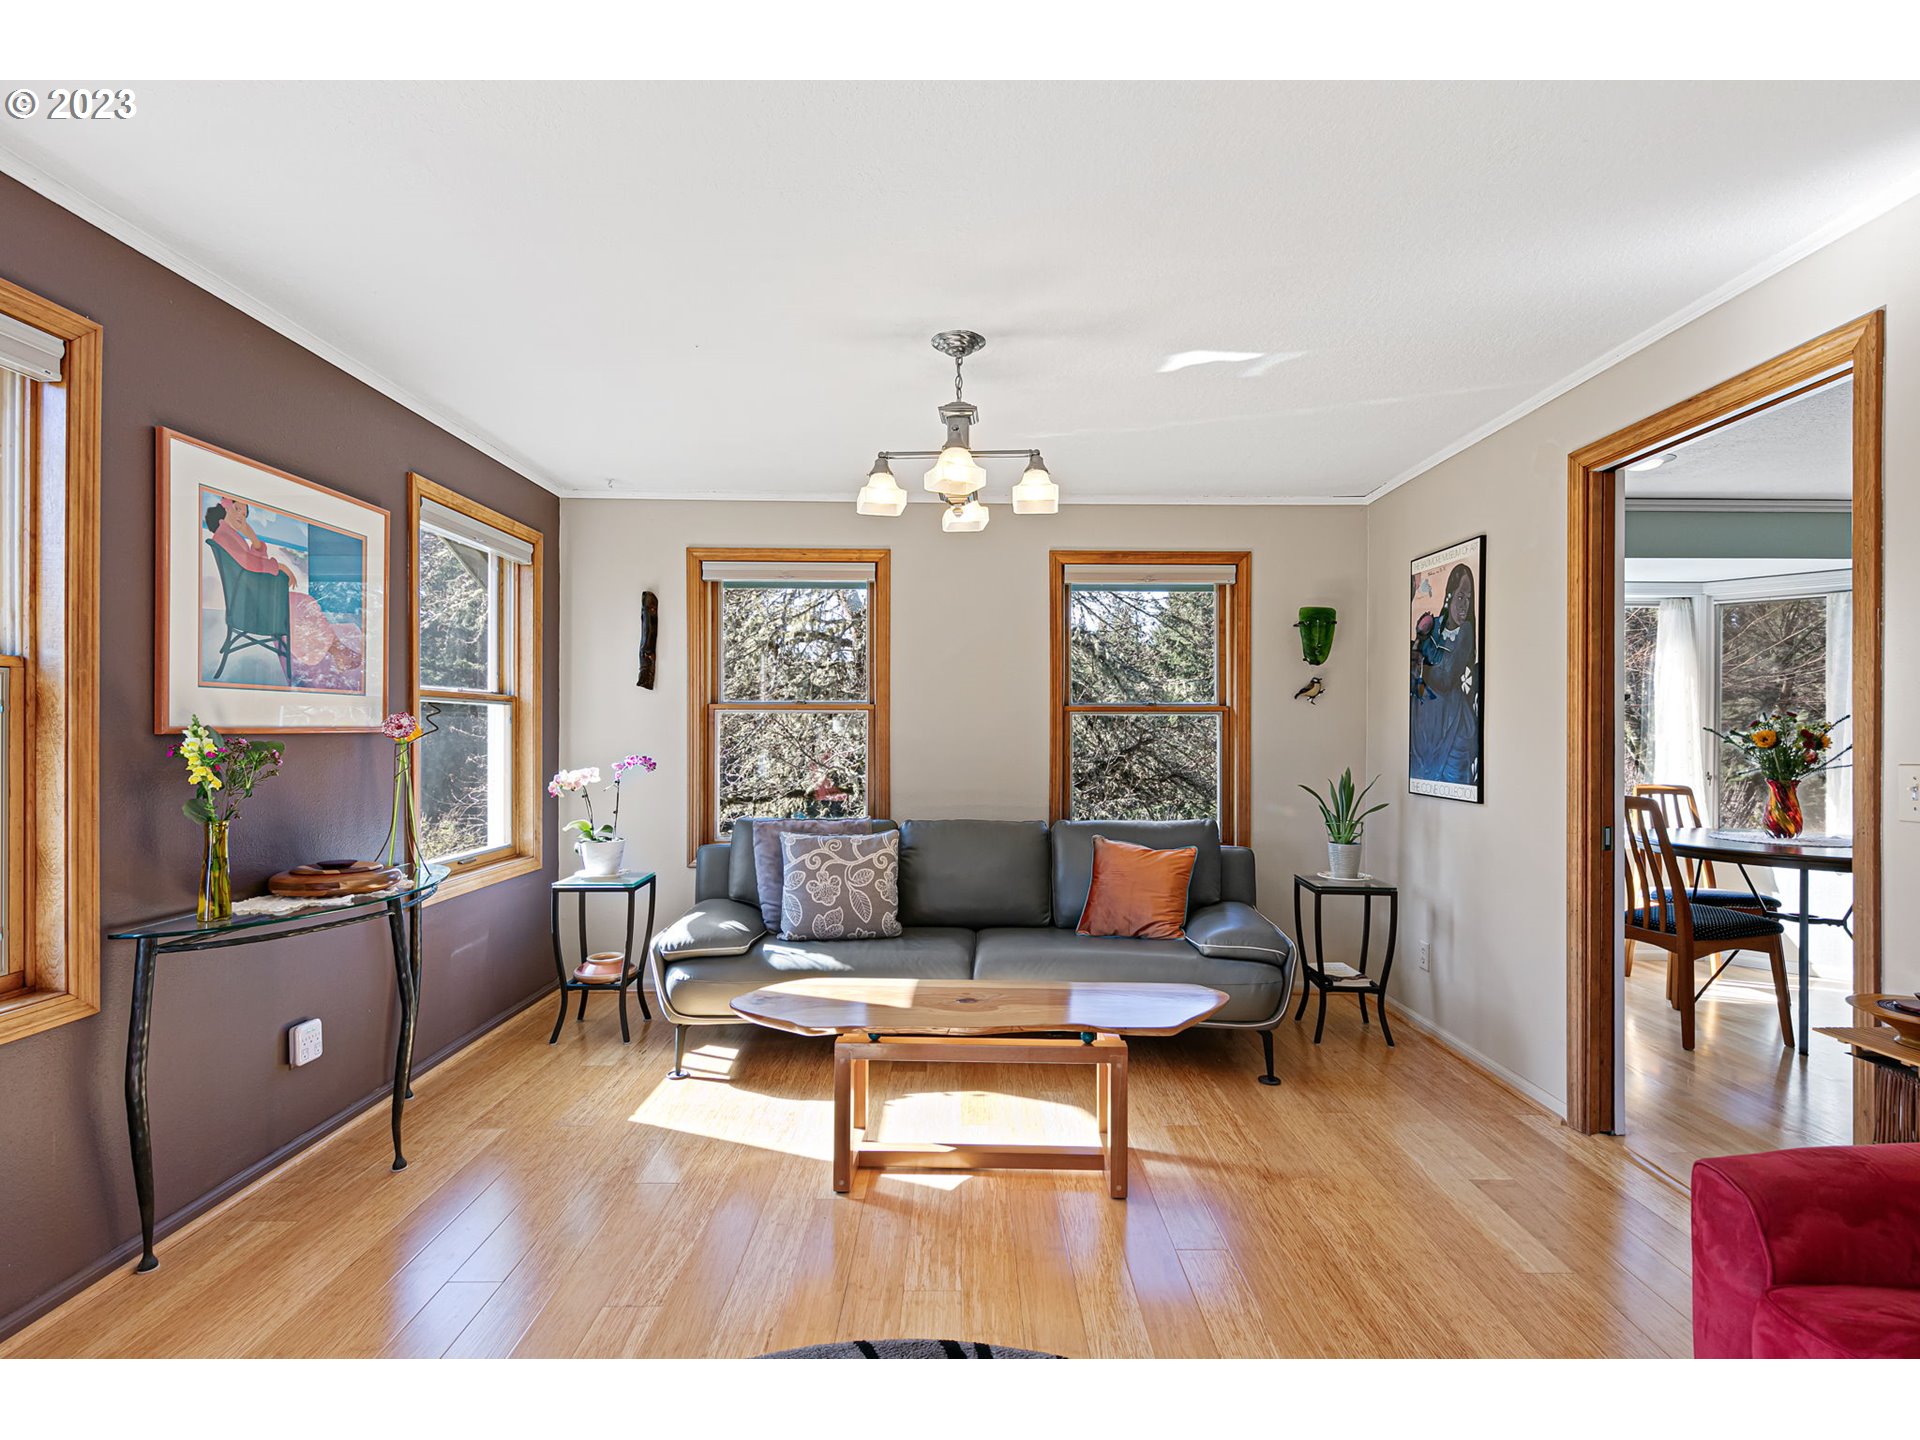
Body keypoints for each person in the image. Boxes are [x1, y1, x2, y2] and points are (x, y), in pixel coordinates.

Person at [204, 497, 362, 680]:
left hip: (253, 601)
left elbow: (253, 562)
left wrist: (254, 538)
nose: (241, 516)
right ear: (226, 507)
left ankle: (337, 651)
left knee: (304, 604)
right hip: (255, 606)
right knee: (305, 604)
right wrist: (279, 567)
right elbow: (251, 566)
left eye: (245, 514)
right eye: (238, 509)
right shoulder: (226, 536)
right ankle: (338, 652)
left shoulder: (230, 535)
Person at [1410, 561, 1479, 788]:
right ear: (1449, 596)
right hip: (1426, 718)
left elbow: (1447, 677)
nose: (1464, 605)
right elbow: (1415, 663)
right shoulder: (1434, 625)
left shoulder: (1466, 632)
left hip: (1450, 716)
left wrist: (1423, 665)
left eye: (1469, 599)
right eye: (1460, 596)